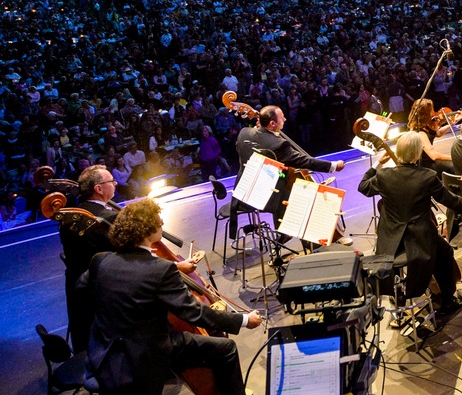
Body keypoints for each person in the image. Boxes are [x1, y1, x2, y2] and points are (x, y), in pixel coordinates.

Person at [82, 198, 260, 395]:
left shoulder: (100, 261)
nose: (162, 224)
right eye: (159, 221)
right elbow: (194, 313)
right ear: (148, 230)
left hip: (103, 350)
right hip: (147, 353)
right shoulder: (160, 270)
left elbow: (81, 287)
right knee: (226, 348)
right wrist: (243, 320)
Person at [358, 132, 462, 315]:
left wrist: (378, 163)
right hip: (420, 238)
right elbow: (449, 200)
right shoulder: (427, 176)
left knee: (428, 252)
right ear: (417, 154)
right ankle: (447, 299)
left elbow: (363, 187)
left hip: (390, 239)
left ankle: (397, 294)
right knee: (445, 252)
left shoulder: (384, 176)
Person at [235, 104, 344, 224]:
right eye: (282, 118)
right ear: (272, 124)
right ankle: (294, 234)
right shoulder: (278, 144)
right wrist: (333, 165)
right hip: (267, 196)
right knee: (304, 197)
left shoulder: (244, 133)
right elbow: (304, 161)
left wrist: (264, 133)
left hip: (243, 192)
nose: (285, 119)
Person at [60, 164, 118, 352]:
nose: (115, 183)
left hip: (78, 291)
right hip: (104, 294)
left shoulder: (70, 217)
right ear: (98, 189)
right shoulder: (107, 218)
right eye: (111, 180)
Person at [405, 98, 455, 174]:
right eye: (431, 110)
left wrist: (452, 123)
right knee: (454, 167)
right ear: (425, 114)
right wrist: (454, 158)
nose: (433, 113)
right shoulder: (420, 133)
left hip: (430, 162)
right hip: (426, 166)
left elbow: (438, 133)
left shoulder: (425, 126)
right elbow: (434, 155)